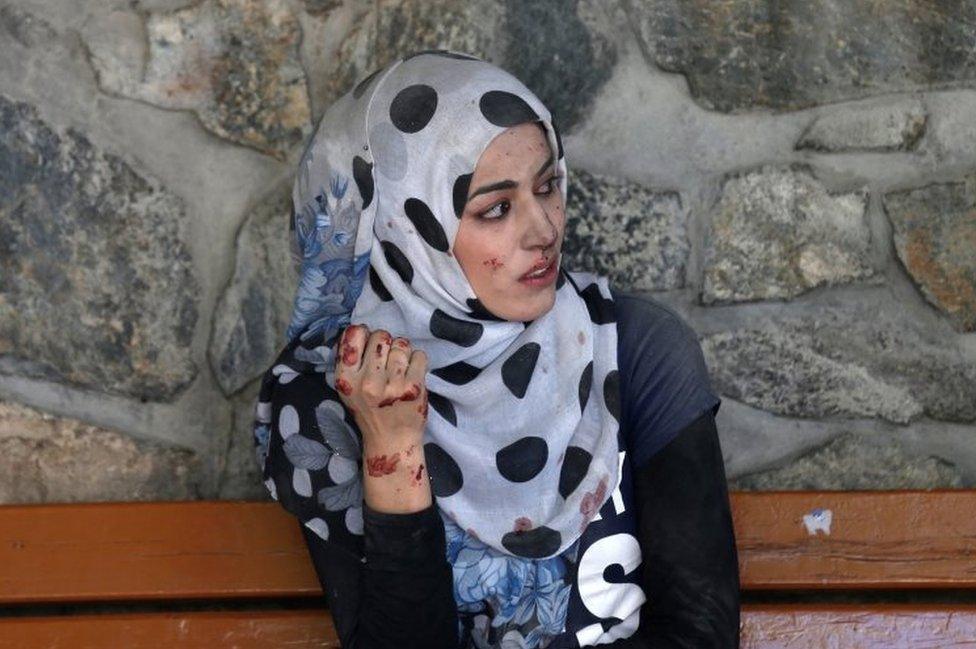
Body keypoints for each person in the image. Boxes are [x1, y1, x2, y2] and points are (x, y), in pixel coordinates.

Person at [252, 50, 739, 648]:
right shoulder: (330, 397)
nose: (545, 231)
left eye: (548, 186)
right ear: (406, 227)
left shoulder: (635, 350)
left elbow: (700, 635)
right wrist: (394, 451)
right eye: (498, 208)